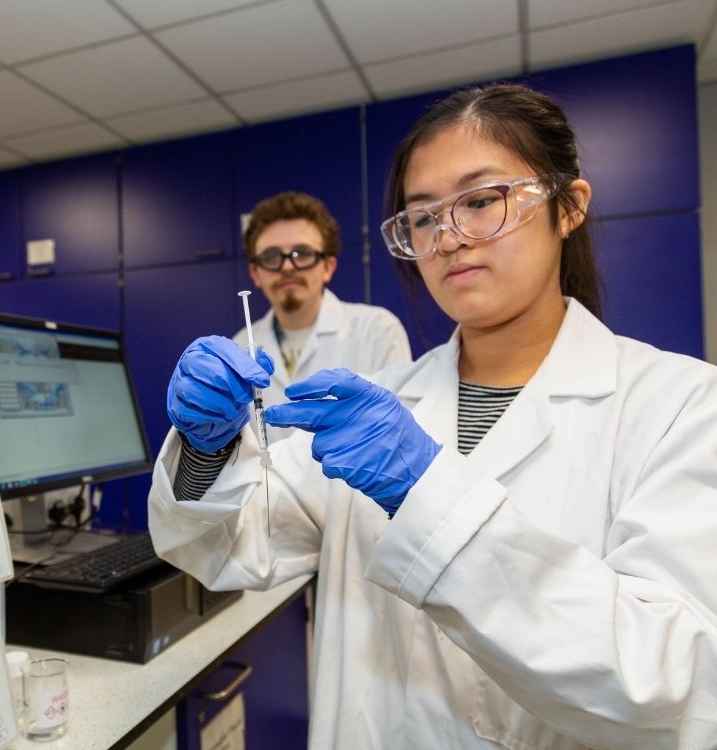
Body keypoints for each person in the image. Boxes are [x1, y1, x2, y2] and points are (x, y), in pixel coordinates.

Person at [150, 82, 717, 749]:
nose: (448, 237)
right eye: (422, 217)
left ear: (568, 207)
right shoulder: (381, 401)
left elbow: (673, 678)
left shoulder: (680, 406)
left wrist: (427, 494)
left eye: (481, 201)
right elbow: (220, 550)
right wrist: (206, 449)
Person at [235, 191, 411, 442]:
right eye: (271, 257)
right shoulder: (241, 346)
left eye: (302, 254)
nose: (287, 267)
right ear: (255, 273)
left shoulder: (378, 330)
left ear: (328, 267)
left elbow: (395, 435)